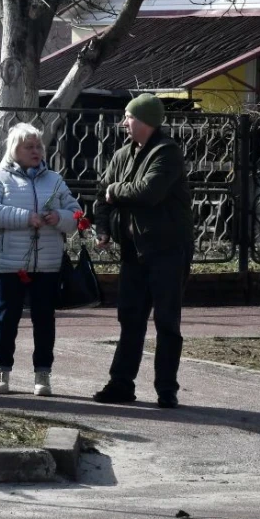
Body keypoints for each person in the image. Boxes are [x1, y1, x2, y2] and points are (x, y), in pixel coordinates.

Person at [92, 93, 194, 409]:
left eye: (129, 117)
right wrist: (104, 228)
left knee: (166, 322)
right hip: (133, 252)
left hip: (167, 250)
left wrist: (114, 192)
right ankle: (121, 384)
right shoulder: (122, 155)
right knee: (130, 319)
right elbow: (101, 197)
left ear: (146, 121)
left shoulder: (168, 153)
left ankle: (167, 389)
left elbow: (149, 192)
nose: (124, 123)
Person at [0, 123, 81, 396]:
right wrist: (25, 218)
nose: (36, 151)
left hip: (47, 262)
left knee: (44, 319)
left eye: (38, 146)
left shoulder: (55, 180)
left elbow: (76, 215)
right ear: (15, 150)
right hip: (10, 261)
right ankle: (2, 371)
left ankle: (43, 375)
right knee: (7, 318)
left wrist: (61, 218)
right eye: (29, 147)